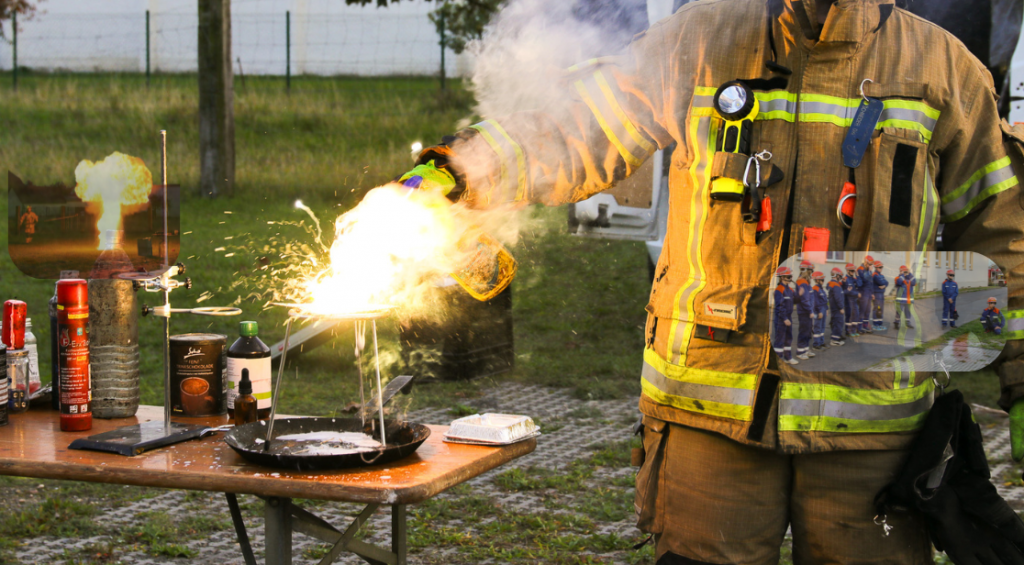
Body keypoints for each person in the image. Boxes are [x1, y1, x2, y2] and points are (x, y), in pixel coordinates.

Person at [398, 0, 1024, 561]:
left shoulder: (944, 70)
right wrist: (456, 170)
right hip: (708, 417)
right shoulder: (699, 37)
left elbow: (1006, 239)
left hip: (873, 434)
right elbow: (577, 128)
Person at [772, 266, 797, 365]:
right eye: (788, 276)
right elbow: (779, 307)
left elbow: (795, 299)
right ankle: (778, 360)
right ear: (782, 277)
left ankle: (788, 357)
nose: (791, 278)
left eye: (791, 276)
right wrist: (785, 318)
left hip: (788, 317)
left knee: (788, 338)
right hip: (781, 319)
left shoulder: (790, 289)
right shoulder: (779, 290)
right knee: (780, 340)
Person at [794, 260, 816, 360]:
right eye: (810, 271)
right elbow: (805, 299)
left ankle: (805, 350)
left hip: (806, 311)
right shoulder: (802, 282)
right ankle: (800, 352)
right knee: (804, 331)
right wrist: (810, 311)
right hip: (805, 312)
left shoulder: (805, 282)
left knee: (807, 332)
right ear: (807, 271)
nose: (811, 273)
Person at [828, 267, 847, 347]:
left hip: (834, 308)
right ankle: (835, 340)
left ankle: (835, 337)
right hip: (837, 308)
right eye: (840, 276)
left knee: (835, 322)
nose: (840, 277)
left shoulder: (832, 284)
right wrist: (841, 308)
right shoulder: (836, 285)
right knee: (838, 323)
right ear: (836, 275)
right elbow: (838, 298)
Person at [894, 265, 916, 330]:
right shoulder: (898, 278)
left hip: (908, 299)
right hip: (901, 299)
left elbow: (914, 282)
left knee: (908, 311)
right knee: (899, 312)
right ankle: (896, 323)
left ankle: (908, 323)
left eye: (905, 271)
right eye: (903, 271)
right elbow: (899, 282)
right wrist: (902, 275)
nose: (905, 273)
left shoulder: (909, 278)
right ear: (900, 271)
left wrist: (909, 274)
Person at [843, 263, 862, 338]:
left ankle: (853, 330)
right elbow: (848, 291)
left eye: (853, 271)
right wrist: (857, 294)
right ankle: (848, 331)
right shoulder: (846, 279)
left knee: (855, 315)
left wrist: (857, 275)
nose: (852, 272)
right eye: (851, 271)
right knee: (850, 316)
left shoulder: (853, 278)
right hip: (849, 300)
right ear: (847, 271)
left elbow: (860, 284)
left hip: (854, 300)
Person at [811, 271, 828, 350]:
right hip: (819, 311)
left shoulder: (821, 289)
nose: (823, 281)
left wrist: (826, 309)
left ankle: (821, 342)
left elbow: (824, 300)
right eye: (822, 280)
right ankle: (816, 344)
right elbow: (815, 302)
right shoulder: (815, 289)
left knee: (822, 327)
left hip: (823, 310)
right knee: (818, 327)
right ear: (817, 280)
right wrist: (819, 311)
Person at [857, 255, 875, 333]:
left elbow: (871, 282)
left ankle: (865, 326)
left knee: (867, 311)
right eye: (869, 264)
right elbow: (864, 279)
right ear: (865, 262)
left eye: (871, 264)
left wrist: (872, 293)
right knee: (862, 310)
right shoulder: (860, 269)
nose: (870, 266)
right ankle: (859, 327)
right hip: (863, 292)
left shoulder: (868, 271)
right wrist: (870, 272)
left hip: (868, 293)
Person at [872, 261, 888, 332]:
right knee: (877, 309)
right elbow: (881, 282)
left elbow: (886, 282)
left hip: (881, 293)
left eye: (882, 267)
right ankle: (875, 324)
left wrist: (884, 286)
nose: (881, 268)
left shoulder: (881, 275)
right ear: (876, 267)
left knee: (881, 309)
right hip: (877, 294)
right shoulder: (875, 275)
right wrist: (884, 284)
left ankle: (880, 323)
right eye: (880, 267)